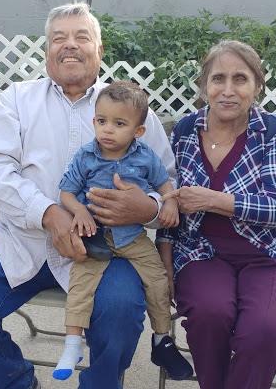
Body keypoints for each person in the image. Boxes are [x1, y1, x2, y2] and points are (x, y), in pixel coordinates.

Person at [0, 2, 177, 389]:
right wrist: (48, 212)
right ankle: (15, 381)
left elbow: (168, 179)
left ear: (100, 49)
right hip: (25, 239)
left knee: (120, 311)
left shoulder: (128, 107)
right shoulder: (17, 99)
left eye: (82, 37)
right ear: (46, 51)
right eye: (59, 38)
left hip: (109, 247)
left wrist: (148, 207)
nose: (70, 46)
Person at [158, 40, 276, 389]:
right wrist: (165, 259)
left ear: (257, 86)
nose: (228, 90)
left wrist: (214, 200)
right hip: (202, 252)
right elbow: (168, 199)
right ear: (204, 86)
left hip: (271, 254)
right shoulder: (185, 132)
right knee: (210, 314)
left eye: (240, 79)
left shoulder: (271, 131)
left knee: (262, 329)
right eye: (218, 79)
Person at [53, 81, 192, 381]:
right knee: (81, 284)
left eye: (119, 123)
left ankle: (161, 340)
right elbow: (65, 192)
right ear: (94, 121)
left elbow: (166, 185)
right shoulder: (86, 156)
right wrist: (78, 211)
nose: (107, 130)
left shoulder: (145, 157)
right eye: (101, 121)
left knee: (158, 279)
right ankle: (72, 344)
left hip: (132, 238)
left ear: (138, 131)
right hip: (95, 238)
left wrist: (167, 204)